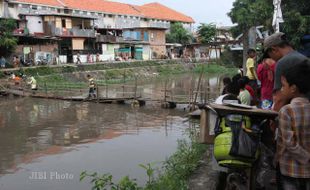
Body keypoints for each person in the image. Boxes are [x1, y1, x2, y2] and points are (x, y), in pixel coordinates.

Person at [275, 60, 310, 190]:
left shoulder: (287, 111)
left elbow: (289, 144)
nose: (282, 89)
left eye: (283, 86)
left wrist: (307, 158)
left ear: (293, 88)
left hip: (289, 169)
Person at [263, 32, 309, 112]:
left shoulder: (282, 63)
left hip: (290, 115)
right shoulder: (305, 59)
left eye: (269, 55)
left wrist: (273, 119)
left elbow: (279, 99)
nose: (271, 58)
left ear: (274, 49)